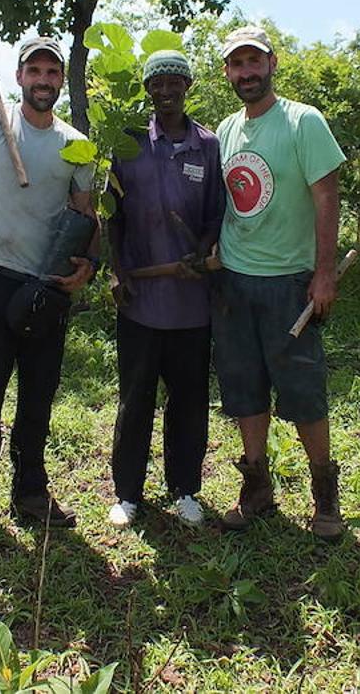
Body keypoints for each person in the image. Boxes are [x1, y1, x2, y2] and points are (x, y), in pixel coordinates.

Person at [0, 35, 98, 536]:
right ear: (19, 77)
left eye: (53, 73)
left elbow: (86, 215)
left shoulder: (75, 144)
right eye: (36, 71)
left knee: (39, 395)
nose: (45, 81)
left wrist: (86, 266)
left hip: (49, 286)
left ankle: (30, 492)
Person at [213, 25, 347, 540]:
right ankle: (258, 488)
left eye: (254, 61)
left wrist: (324, 272)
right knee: (245, 388)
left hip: (290, 283)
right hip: (234, 284)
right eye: (237, 64)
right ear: (227, 72)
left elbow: (326, 198)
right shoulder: (226, 131)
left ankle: (324, 494)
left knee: (304, 391)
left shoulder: (302, 122)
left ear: (272, 64)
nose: (246, 72)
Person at [105, 50, 225, 528]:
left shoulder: (207, 145)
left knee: (190, 400)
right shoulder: (129, 145)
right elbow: (111, 214)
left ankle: (185, 490)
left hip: (192, 303)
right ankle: (127, 494)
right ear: (148, 90)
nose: (166, 91)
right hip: (139, 298)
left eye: (175, 82)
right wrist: (116, 271)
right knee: (135, 398)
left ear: (188, 86)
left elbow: (217, 212)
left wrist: (203, 247)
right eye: (157, 84)